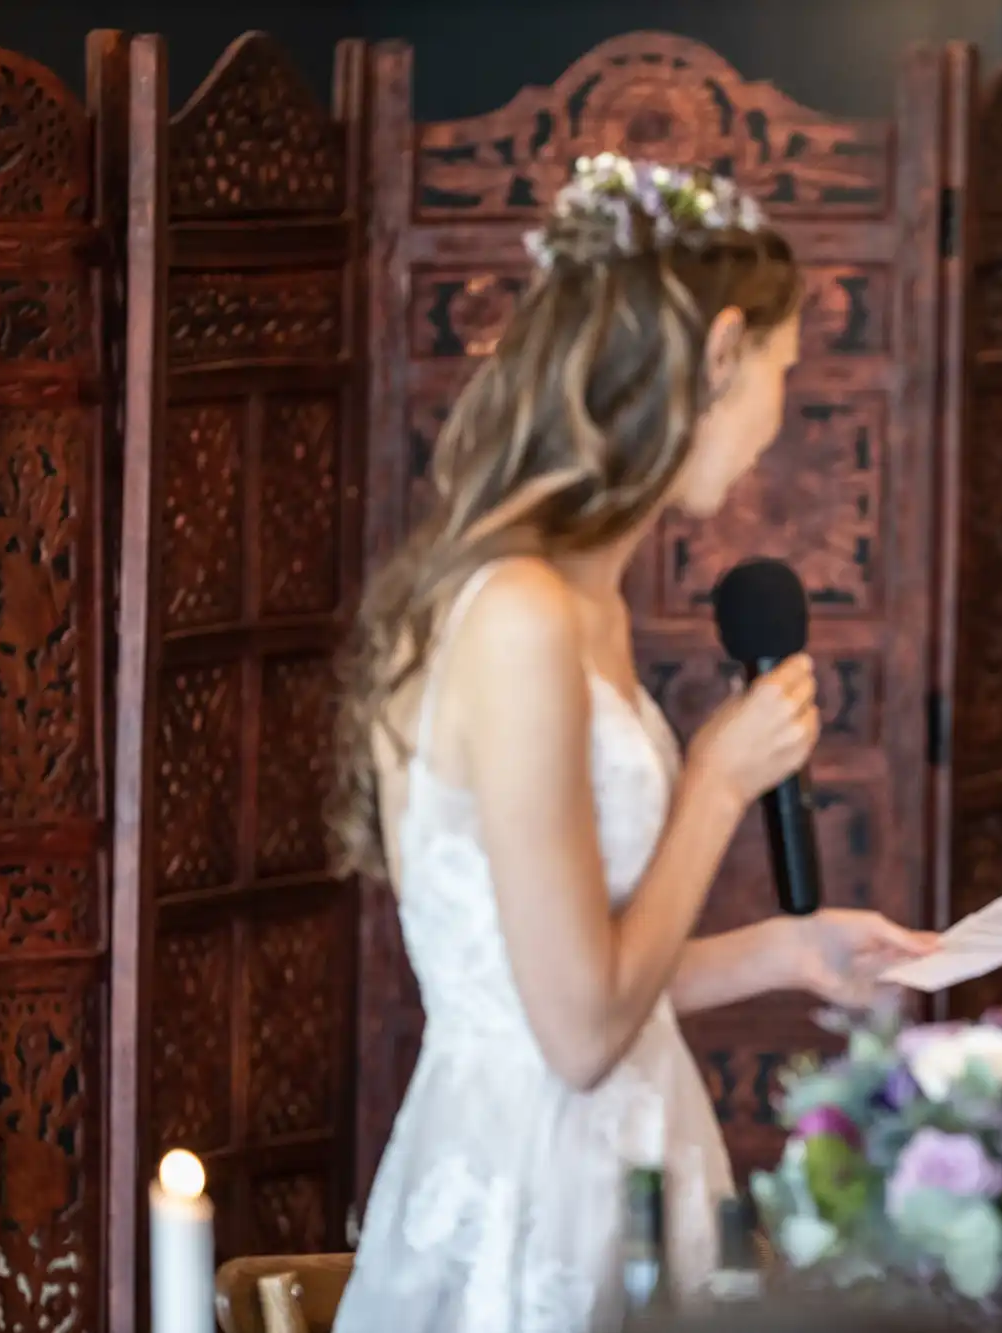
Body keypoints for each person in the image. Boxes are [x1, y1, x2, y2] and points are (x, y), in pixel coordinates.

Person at [327, 155, 938, 1333]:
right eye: (780, 372)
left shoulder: (583, 603)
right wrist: (715, 779)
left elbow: (582, 963)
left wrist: (786, 949)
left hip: (640, 1147)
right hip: (535, 1190)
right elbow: (572, 1030)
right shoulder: (517, 614)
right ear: (715, 354)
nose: (776, 424)